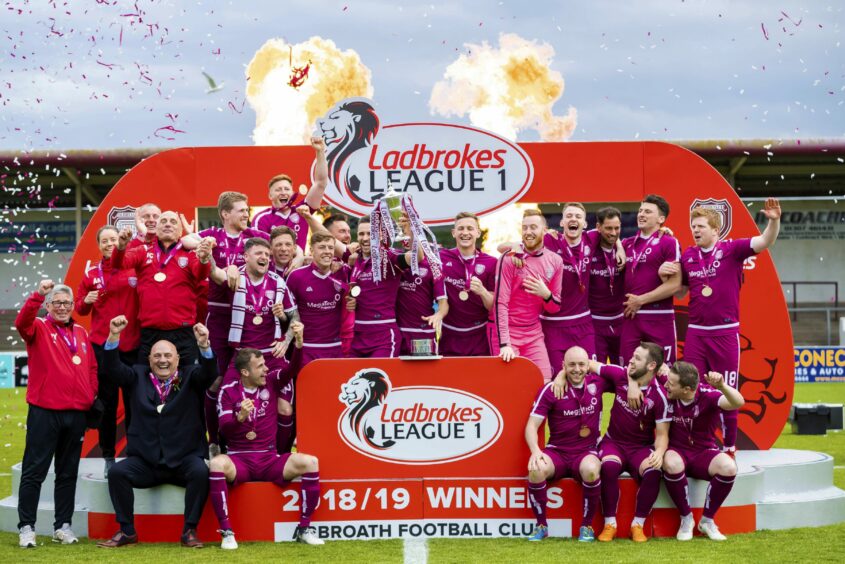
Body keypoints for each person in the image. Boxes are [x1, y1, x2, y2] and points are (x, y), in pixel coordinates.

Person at [663, 198, 781, 455]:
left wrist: (773, 221)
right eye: (693, 226)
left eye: (701, 226)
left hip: (725, 334)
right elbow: (682, 293)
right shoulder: (689, 256)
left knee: (727, 390)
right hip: (696, 334)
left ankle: (729, 446)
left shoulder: (733, 250)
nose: (695, 230)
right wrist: (665, 274)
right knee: (690, 387)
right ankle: (689, 441)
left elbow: (765, 242)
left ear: (716, 230)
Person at [96, 316, 217, 548]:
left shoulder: (191, 376)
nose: (163, 360)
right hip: (147, 463)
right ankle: (127, 531)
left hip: (183, 461)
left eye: (168, 356)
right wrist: (113, 336)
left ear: (178, 359)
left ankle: (189, 531)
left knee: (201, 472)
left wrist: (204, 345)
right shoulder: (136, 376)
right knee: (118, 473)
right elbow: (111, 369)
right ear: (149, 359)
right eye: (158, 356)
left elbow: (210, 373)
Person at [209, 346, 324, 549]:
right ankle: (227, 532)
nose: (265, 369)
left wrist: (298, 344)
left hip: (269, 458)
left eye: (264, 365)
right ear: (245, 372)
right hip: (239, 459)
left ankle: (304, 529)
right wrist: (240, 418)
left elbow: (293, 370)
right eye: (260, 366)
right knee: (217, 464)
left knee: (310, 462)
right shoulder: (228, 392)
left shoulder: (271, 381)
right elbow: (224, 430)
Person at [15, 280, 98, 547]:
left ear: (73, 306)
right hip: (45, 411)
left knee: (67, 472)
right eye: (57, 303)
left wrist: (90, 395)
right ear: (48, 306)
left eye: (67, 303)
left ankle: (62, 525)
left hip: (75, 414)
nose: (62, 307)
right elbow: (21, 321)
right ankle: (27, 526)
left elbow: (92, 369)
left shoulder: (82, 333)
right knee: (34, 471)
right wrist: (37, 294)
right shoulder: (37, 327)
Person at [186, 192, 269, 456]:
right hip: (219, 318)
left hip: (250, 318)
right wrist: (204, 245)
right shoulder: (212, 235)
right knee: (215, 381)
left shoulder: (255, 237)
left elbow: (283, 250)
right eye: (241, 210)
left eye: (247, 210)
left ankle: (253, 443)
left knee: (253, 379)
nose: (246, 214)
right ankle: (213, 443)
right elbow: (186, 240)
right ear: (225, 214)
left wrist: (238, 269)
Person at [524, 346, 611, 542]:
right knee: (536, 469)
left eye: (582, 364)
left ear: (588, 365)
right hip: (558, 452)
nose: (577, 369)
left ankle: (586, 526)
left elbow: (622, 375)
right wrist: (535, 451)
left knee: (591, 469)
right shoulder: (551, 389)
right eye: (571, 365)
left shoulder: (598, 382)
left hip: (586, 451)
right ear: (563, 366)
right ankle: (541, 525)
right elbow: (531, 426)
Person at [76, 225, 141, 477]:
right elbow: (80, 308)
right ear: (98, 244)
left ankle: (135, 452)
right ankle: (107, 455)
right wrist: (85, 302)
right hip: (103, 347)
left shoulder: (133, 267)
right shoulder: (91, 273)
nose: (109, 243)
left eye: (113, 239)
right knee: (108, 403)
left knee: (135, 401)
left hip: (132, 345)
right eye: (104, 240)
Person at [590, 343, 670, 543]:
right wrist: (560, 375)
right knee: (608, 466)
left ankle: (637, 525)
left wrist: (659, 453)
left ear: (652, 365)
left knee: (653, 471)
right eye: (632, 355)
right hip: (613, 443)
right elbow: (588, 364)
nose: (631, 361)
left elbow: (662, 434)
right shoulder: (619, 374)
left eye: (637, 358)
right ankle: (610, 524)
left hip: (640, 448)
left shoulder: (659, 396)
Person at [113, 211, 214, 364]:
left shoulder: (190, 254)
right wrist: (121, 246)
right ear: (157, 229)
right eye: (164, 221)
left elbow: (200, 274)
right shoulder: (143, 251)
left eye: (173, 222)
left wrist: (205, 258)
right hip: (150, 334)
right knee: (148, 384)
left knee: (184, 383)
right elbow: (119, 264)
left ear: (180, 231)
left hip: (183, 334)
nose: (168, 224)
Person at [662, 361, 745, 541]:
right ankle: (686, 518)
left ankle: (707, 521)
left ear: (686, 389)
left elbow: (738, 402)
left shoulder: (708, 395)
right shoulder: (668, 390)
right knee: (670, 462)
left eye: (671, 383)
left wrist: (722, 385)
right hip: (677, 451)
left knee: (729, 468)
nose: (666, 385)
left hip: (704, 452)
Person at [496, 209, 564, 381]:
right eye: (524, 228)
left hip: (534, 333)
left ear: (544, 231)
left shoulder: (555, 261)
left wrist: (546, 294)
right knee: (511, 385)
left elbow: (554, 307)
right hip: (509, 333)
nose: (528, 232)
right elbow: (500, 303)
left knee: (545, 382)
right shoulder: (510, 258)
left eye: (533, 227)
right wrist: (505, 344)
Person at [345, 218, 422, 358]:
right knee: (352, 378)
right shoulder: (355, 258)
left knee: (379, 379)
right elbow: (327, 243)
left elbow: (417, 257)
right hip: (358, 336)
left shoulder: (389, 257)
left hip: (384, 336)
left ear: (380, 236)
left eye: (370, 234)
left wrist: (412, 229)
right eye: (361, 234)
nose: (365, 238)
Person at [620, 194, 681, 364]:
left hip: (659, 316)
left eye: (647, 211)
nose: (641, 214)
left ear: (661, 219)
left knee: (664, 372)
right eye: (640, 210)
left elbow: (675, 285)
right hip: (630, 315)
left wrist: (640, 300)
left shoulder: (669, 242)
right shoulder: (627, 244)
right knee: (628, 370)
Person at [251, 137, 328, 250]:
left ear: (292, 193)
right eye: (278, 190)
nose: (283, 192)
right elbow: (258, 248)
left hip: (300, 266)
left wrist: (320, 152)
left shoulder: (303, 210)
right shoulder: (262, 218)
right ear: (270, 196)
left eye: (287, 189)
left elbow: (320, 183)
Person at [438, 212, 497, 356]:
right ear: (453, 233)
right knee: (449, 379)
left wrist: (482, 291)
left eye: (470, 229)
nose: (465, 233)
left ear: (478, 232)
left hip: (479, 336)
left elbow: (493, 307)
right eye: (461, 228)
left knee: (480, 379)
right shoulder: (440, 258)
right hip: (449, 336)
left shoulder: (491, 262)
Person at [589, 207, 626, 365]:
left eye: (617, 228)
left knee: (624, 370)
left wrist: (620, 246)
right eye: (608, 228)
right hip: (595, 321)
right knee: (598, 371)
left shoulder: (627, 248)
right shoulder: (588, 247)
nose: (613, 232)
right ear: (598, 227)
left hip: (621, 320)